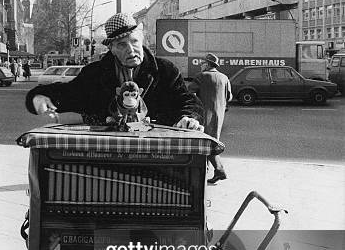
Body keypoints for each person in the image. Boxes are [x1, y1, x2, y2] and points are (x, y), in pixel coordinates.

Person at [26, 12, 204, 129]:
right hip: (108, 153)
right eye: (121, 44)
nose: (130, 49)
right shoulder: (95, 73)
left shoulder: (166, 71)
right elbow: (70, 94)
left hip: (154, 154)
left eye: (134, 41)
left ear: (141, 40)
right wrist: (40, 95)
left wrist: (189, 117)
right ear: (111, 48)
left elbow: (187, 101)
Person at [189, 53, 232, 184]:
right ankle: (206, 170)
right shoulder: (224, 78)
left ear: (207, 64)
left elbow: (189, 93)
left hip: (203, 114)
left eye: (202, 64)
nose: (201, 66)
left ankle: (219, 170)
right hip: (219, 115)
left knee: (205, 143)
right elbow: (229, 97)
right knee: (211, 140)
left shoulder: (201, 77)